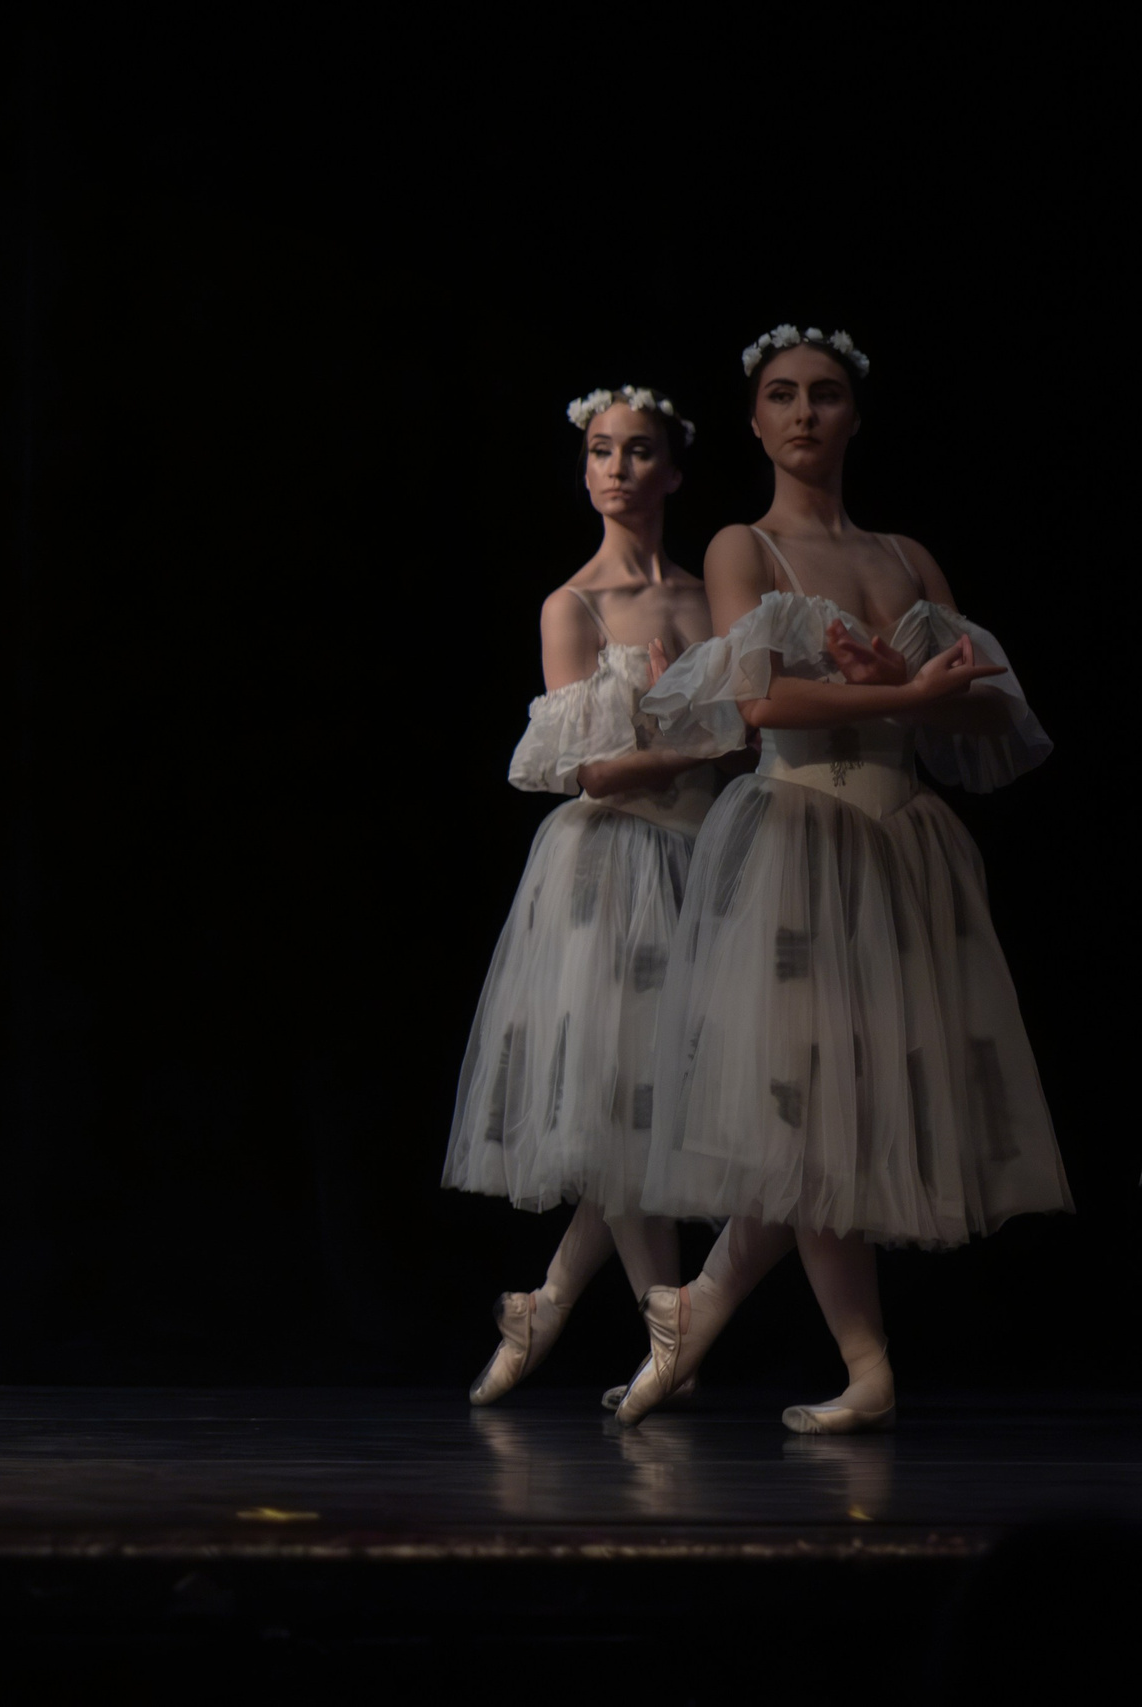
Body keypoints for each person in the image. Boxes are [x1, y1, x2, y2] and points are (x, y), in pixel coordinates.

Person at [616, 326, 1069, 1434]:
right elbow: (760, 703)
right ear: (756, 420)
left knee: (856, 1108)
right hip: (797, 837)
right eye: (783, 395)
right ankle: (855, 1362)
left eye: (824, 395)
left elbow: (983, 703)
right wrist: (903, 696)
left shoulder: (906, 556)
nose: (805, 413)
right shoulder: (742, 547)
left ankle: (708, 1303)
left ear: (854, 416)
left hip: (898, 844)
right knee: (811, 1106)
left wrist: (923, 689)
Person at [446, 386, 719, 1407]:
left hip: (702, 859)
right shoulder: (575, 606)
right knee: (619, 1106)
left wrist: (699, 740)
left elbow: (745, 734)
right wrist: (691, 737)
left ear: (672, 471)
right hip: (606, 872)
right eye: (600, 451)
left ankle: (552, 1305)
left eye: (636, 451)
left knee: (657, 1111)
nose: (613, 468)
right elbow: (586, 773)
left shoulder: (704, 597)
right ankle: (667, 1339)